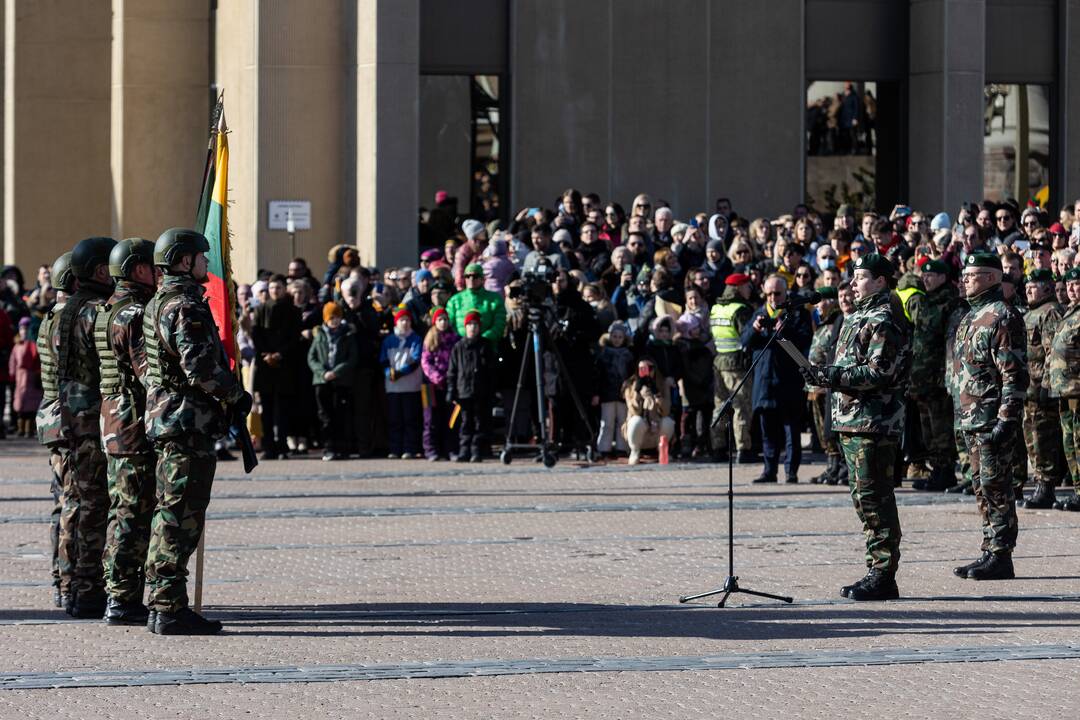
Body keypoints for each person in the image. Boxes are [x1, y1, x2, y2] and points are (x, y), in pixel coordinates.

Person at [143, 228, 251, 634]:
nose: (207, 263)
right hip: (186, 421)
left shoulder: (158, 301)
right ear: (184, 261)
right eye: (202, 257)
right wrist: (234, 395)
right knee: (180, 515)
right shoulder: (185, 305)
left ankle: (162, 602)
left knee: (169, 512)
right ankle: (168, 606)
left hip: (171, 418)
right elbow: (199, 366)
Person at [801, 253, 910, 601]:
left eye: (861, 276)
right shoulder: (857, 316)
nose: (853, 282)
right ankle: (876, 568)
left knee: (875, 497)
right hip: (853, 420)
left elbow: (880, 372)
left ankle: (883, 574)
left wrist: (831, 376)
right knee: (863, 498)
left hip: (874, 422)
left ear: (880, 281)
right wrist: (821, 374)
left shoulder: (883, 318)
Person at [950, 252, 1028, 581]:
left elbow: (1014, 375)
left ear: (992, 278)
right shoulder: (970, 317)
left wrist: (1007, 418)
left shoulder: (1003, 316)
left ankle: (1001, 555)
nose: (965, 279)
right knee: (982, 487)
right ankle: (989, 549)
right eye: (965, 274)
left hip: (991, 419)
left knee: (997, 488)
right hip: (969, 418)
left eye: (973, 274)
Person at [92, 238, 158, 626]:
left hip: (115, 417)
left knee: (124, 509)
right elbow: (147, 372)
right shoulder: (133, 314)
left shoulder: (106, 309)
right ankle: (121, 597)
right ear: (136, 269)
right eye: (152, 266)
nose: (158, 272)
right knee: (133, 512)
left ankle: (119, 592)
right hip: (132, 420)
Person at [56, 236, 117, 618]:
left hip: (71, 412)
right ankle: (88, 588)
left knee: (76, 502)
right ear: (98, 270)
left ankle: (73, 586)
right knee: (95, 503)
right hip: (92, 415)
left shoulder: (67, 309)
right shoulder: (98, 310)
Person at [34, 251, 76, 608]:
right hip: (70, 419)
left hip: (55, 418)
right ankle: (69, 580)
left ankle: (62, 580)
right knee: (73, 505)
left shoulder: (50, 317)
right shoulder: (69, 319)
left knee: (61, 503)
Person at [741, 274, 812, 483]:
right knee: (767, 432)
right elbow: (744, 341)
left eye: (777, 293)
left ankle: (791, 472)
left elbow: (805, 339)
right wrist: (755, 329)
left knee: (792, 431)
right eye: (769, 293)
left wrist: (785, 330)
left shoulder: (797, 313)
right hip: (765, 381)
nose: (773, 298)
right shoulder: (759, 313)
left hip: (789, 381)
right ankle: (769, 470)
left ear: (786, 291)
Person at [906, 259, 960, 491]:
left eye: (932, 275)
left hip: (937, 377)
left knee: (940, 428)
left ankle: (945, 470)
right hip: (921, 379)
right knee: (928, 427)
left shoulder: (949, 302)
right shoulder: (926, 300)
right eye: (924, 275)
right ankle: (936, 469)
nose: (925, 279)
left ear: (943, 277)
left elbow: (940, 331)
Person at [1019, 269, 1066, 509]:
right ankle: (1040, 481)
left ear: (1047, 288)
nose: (1028, 289)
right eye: (1027, 285)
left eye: (1034, 285)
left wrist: (1048, 386)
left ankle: (1046, 486)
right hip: (1029, 389)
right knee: (1032, 438)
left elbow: (1052, 353)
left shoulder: (1050, 313)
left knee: (1043, 439)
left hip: (1041, 389)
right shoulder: (1032, 313)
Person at [251, 275, 301, 460]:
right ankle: (269, 446)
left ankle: (282, 447)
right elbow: (256, 334)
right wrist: (266, 354)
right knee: (267, 409)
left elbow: (294, 337)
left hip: (285, 365)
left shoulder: (293, 311)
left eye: (278, 287)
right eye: (272, 288)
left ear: (284, 289)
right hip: (265, 366)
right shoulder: (260, 309)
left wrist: (280, 354)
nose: (275, 291)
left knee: (283, 409)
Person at [709, 273, 754, 462]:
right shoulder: (740, 309)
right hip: (737, 364)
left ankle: (717, 447)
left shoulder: (716, 308)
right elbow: (747, 336)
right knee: (741, 406)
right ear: (738, 288)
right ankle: (743, 449)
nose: (749, 289)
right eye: (747, 286)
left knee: (720, 407)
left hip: (719, 361)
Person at [1047, 267, 1080, 510]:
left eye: (1076, 284)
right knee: (1070, 442)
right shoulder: (1069, 313)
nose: (1070, 288)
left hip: (1077, 389)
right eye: (1068, 284)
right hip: (1064, 390)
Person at [308, 302, 356, 461]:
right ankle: (328, 447)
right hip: (322, 381)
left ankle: (343, 448)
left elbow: (352, 358)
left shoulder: (347, 334)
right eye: (331, 318)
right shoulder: (320, 334)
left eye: (337, 317)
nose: (334, 321)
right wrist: (323, 373)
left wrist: (336, 372)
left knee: (341, 414)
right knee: (325, 415)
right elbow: (312, 358)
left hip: (341, 380)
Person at [446, 311, 496, 462]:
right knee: (465, 423)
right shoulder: (458, 347)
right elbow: (452, 371)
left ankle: (476, 451)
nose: (472, 328)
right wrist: (451, 390)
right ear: (465, 327)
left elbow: (491, 372)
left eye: (475, 325)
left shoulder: (485, 346)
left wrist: (492, 391)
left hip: (481, 392)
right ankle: (464, 450)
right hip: (464, 392)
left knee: (480, 423)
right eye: (469, 325)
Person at [807, 287, 844, 485]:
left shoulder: (837, 323)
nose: (818, 306)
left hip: (826, 385)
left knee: (830, 429)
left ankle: (838, 466)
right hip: (814, 387)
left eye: (822, 301)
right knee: (822, 430)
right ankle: (831, 466)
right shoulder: (822, 324)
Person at [379, 309, 423, 459]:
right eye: (402, 320)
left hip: (411, 386)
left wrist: (400, 373)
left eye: (408, 320)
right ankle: (395, 448)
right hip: (393, 387)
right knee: (395, 419)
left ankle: (409, 448)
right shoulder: (389, 340)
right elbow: (384, 360)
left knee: (410, 419)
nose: (405, 323)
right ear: (396, 322)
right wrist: (388, 372)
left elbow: (415, 361)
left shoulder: (415, 339)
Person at [420, 307, 460, 461]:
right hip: (429, 386)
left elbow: (456, 361)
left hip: (449, 385)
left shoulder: (454, 339)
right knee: (430, 419)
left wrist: (449, 378)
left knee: (449, 419)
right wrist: (437, 377)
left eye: (445, 319)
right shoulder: (429, 338)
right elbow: (425, 361)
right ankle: (431, 450)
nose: (442, 322)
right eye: (439, 319)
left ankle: (450, 449)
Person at [622, 357, 675, 465]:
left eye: (649, 368)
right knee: (636, 420)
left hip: (656, 428)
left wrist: (657, 395)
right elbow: (634, 411)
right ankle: (635, 451)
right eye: (642, 368)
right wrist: (637, 391)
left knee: (668, 422)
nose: (646, 371)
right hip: (639, 431)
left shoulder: (662, 384)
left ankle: (662, 450)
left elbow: (666, 411)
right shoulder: (630, 385)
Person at [594, 321, 633, 457]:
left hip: (623, 394)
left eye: (620, 337)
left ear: (624, 338)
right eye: (614, 336)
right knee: (607, 422)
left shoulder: (628, 355)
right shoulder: (603, 354)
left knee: (623, 422)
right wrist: (597, 393)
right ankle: (604, 448)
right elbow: (598, 375)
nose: (617, 340)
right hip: (607, 393)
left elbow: (631, 375)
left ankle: (622, 447)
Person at [445, 263, 506, 348]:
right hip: (461, 349)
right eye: (467, 276)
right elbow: (448, 324)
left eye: (475, 276)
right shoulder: (454, 300)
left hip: (487, 347)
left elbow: (500, 324)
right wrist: (461, 341)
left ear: (482, 279)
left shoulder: (494, 299)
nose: (471, 279)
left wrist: (483, 339)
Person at [9, 316, 41, 437]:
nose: (24, 330)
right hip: (20, 378)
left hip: (32, 377)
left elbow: (36, 360)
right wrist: (12, 375)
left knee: (31, 405)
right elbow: (14, 361)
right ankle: (21, 428)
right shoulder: (18, 345)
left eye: (26, 328)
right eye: (22, 328)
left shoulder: (32, 344)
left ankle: (29, 429)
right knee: (21, 404)